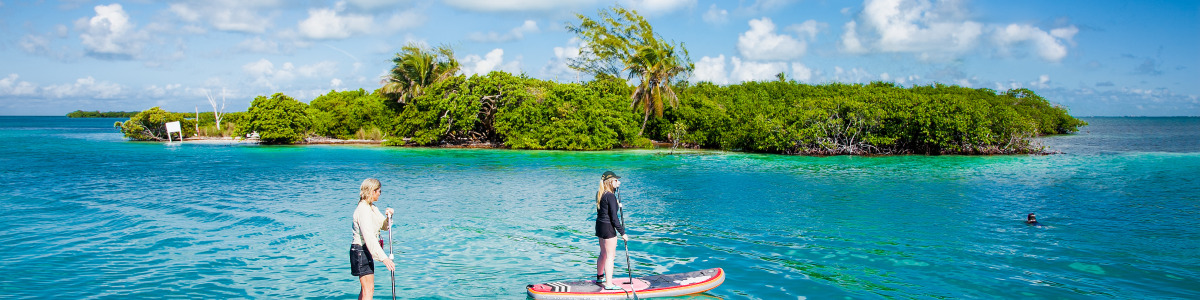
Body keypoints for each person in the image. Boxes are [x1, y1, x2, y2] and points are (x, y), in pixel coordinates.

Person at [350, 178, 396, 300]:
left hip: (366, 250)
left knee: (366, 289)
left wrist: (389, 217)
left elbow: (385, 226)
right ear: (372, 191)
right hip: (361, 251)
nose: (380, 194)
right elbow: (369, 236)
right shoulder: (363, 209)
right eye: (379, 191)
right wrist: (384, 258)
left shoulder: (372, 207)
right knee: (368, 289)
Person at [594, 171, 628, 290]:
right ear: (610, 182)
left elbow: (603, 211)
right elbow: (614, 218)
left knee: (603, 253)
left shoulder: (601, 193)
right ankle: (608, 284)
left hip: (600, 226)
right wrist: (622, 233)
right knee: (610, 256)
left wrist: (617, 204)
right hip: (608, 228)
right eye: (616, 180)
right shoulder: (611, 196)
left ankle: (599, 277)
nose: (619, 182)